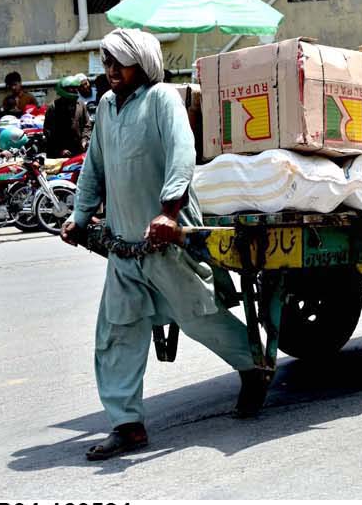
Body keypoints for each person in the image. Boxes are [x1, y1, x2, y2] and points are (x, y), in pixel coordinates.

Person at [61, 29, 266, 461]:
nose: (111, 70)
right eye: (107, 61)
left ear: (145, 64)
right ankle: (127, 425)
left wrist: (168, 213)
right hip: (124, 248)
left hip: (167, 240)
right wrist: (79, 218)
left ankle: (254, 370)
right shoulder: (106, 107)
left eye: (120, 61)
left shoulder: (162, 100)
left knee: (200, 318)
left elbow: (181, 154)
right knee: (117, 333)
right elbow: (95, 168)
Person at [43, 77, 92, 158]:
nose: (75, 90)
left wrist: (84, 140)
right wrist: (60, 149)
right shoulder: (54, 108)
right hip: (59, 154)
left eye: (76, 88)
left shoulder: (81, 105)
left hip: (78, 151)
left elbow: (87, 125)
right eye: (71, 88)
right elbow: (48, 132)